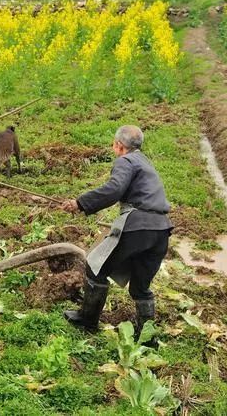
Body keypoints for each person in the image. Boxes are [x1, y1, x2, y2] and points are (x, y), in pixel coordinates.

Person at [60, 125, 173, 335]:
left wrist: (80, 203)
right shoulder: (145, 162)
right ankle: (146, 337)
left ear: (119, 146)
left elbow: (114, 189)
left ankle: (87, 320)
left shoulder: (125, 160)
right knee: (141, 287)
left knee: (95, 266)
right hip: (161, 229)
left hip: (138, 226)